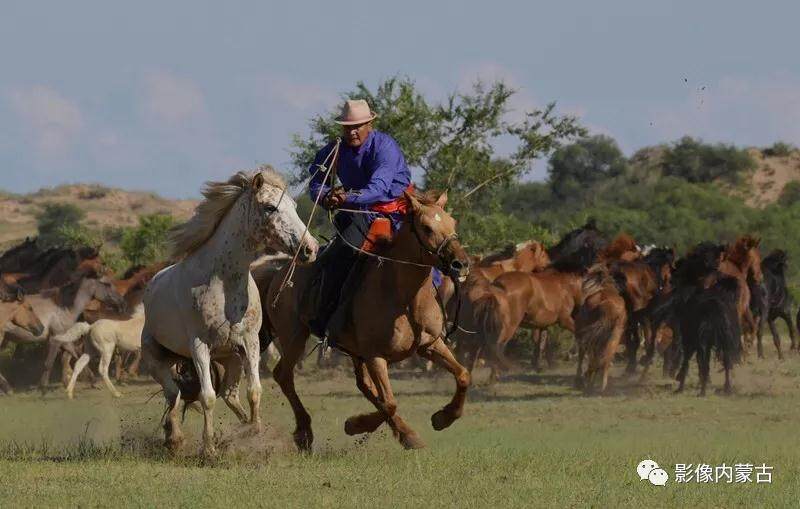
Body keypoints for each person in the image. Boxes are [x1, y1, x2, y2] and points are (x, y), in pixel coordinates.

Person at [307, 99, 412, 338]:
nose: (352, 131)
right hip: (359, 213)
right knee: (340, 254)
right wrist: (326, 197)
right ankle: (326, 318)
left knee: (437, 242)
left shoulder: (385, 147)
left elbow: (378, 187)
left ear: (370, 124)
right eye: (347, 127)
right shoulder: (334, 149)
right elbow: (315, 182)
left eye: (358, 126)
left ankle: (444, 310)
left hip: (397, 211)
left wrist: (345, 197)